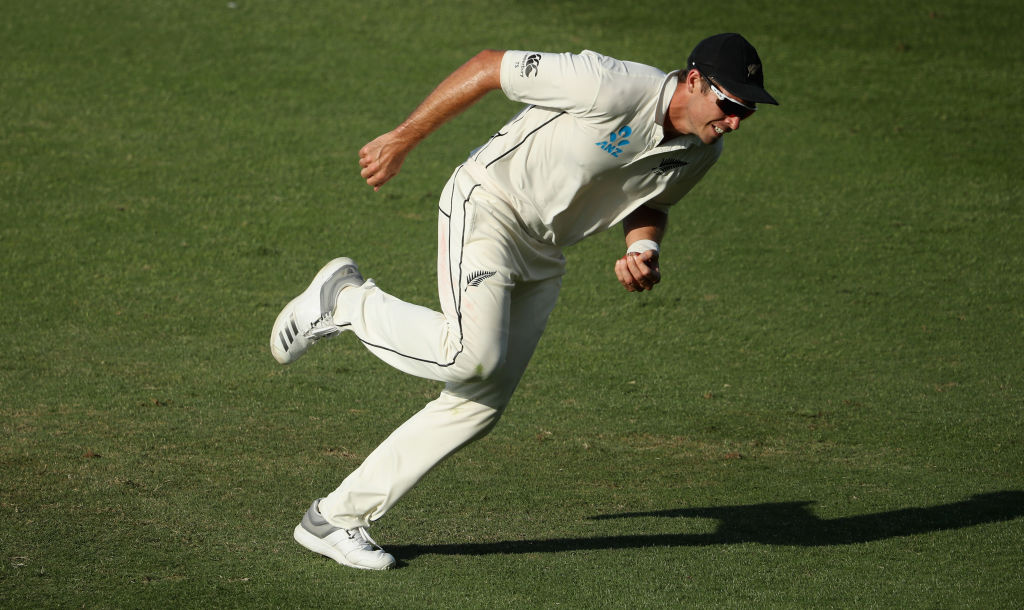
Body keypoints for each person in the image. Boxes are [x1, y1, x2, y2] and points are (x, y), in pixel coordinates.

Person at [270, 33, 778, 570]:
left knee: (478, 404)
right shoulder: (610, 84)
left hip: (546, 251)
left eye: (747, 110)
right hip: (489, 204)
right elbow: (491, 67)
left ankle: (335, 518)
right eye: (730, 104)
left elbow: (653, 202)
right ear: (695, 81)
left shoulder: (703, 149)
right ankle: (344, 301)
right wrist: (403, 138)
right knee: (470, 355)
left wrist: (643, 248)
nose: (736, 120)